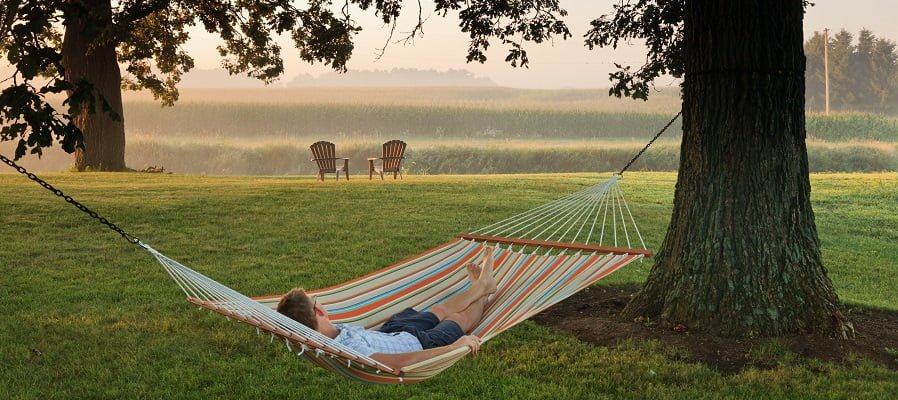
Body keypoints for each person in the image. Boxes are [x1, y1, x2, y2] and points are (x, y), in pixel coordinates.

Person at [276, 248, 498, 371]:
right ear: (318, 313)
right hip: (420, 343)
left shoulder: (331, 332)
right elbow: (400, 362)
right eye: (316, 300)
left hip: (393, 331)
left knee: (440, 308)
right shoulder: (348, 348)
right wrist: (455, 347)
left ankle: (478, 287)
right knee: (459, 319)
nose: (320, 301)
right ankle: (484, 293)